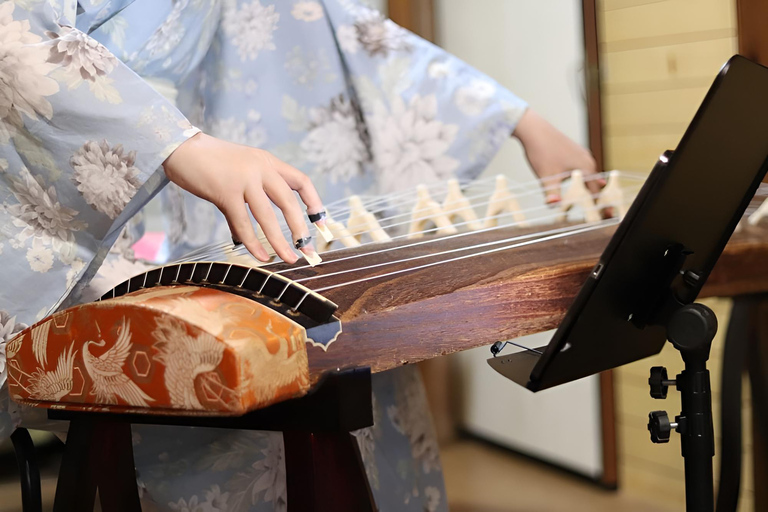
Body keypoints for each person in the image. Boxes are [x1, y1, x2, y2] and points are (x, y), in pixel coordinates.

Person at [0, 1, 601, 510]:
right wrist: (178, 146)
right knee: (225, 362)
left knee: (341, 343)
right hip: (73, 208)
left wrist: (523, 121)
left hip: (206, 193)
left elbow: (324, 23)